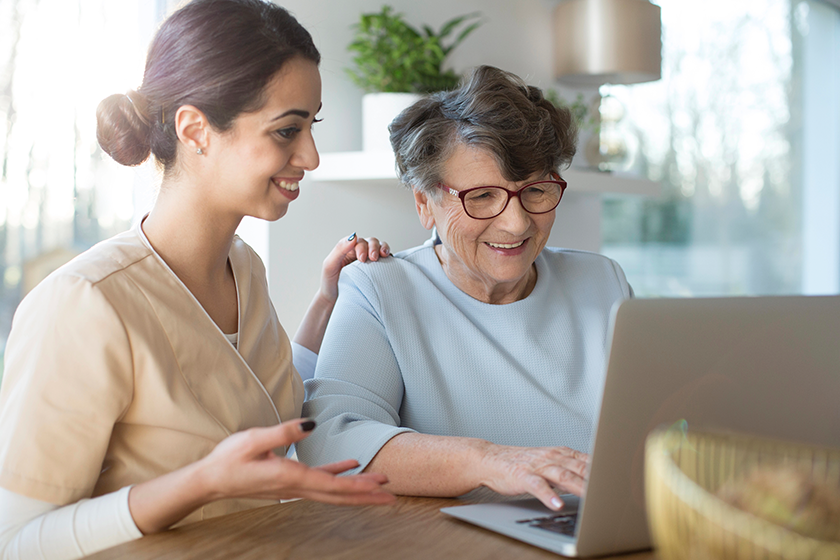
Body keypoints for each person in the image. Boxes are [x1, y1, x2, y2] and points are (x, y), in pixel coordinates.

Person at [0, 1, 394, 558]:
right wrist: (203, 483)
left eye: (312, 126)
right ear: (195, 129)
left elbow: (263, 400)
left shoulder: (243, 268)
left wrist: (328, 299)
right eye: (287, 130)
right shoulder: (83, 304)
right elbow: (15, 542)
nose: (310, 156)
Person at [297, 65, 633, 512]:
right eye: (481, 197)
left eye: (535, 190)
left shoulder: (602, 281)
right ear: (424, 202)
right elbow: (332, 441)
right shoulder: (380, 289)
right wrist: (491, 461)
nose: (516, 224)